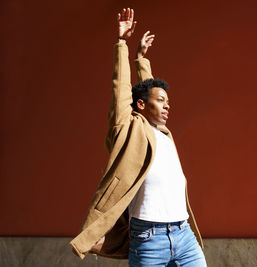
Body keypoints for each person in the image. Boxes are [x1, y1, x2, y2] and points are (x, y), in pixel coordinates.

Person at [70, 8, 207, 267]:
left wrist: (141, 59)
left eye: (168, 102)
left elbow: (149, 90)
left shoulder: (164, 134)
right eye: (161, 102)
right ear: (141, 106)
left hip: (184, 234)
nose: (167, 106)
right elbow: (122, 92)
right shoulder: (128, 130)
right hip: (148, 238)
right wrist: (122, 44)